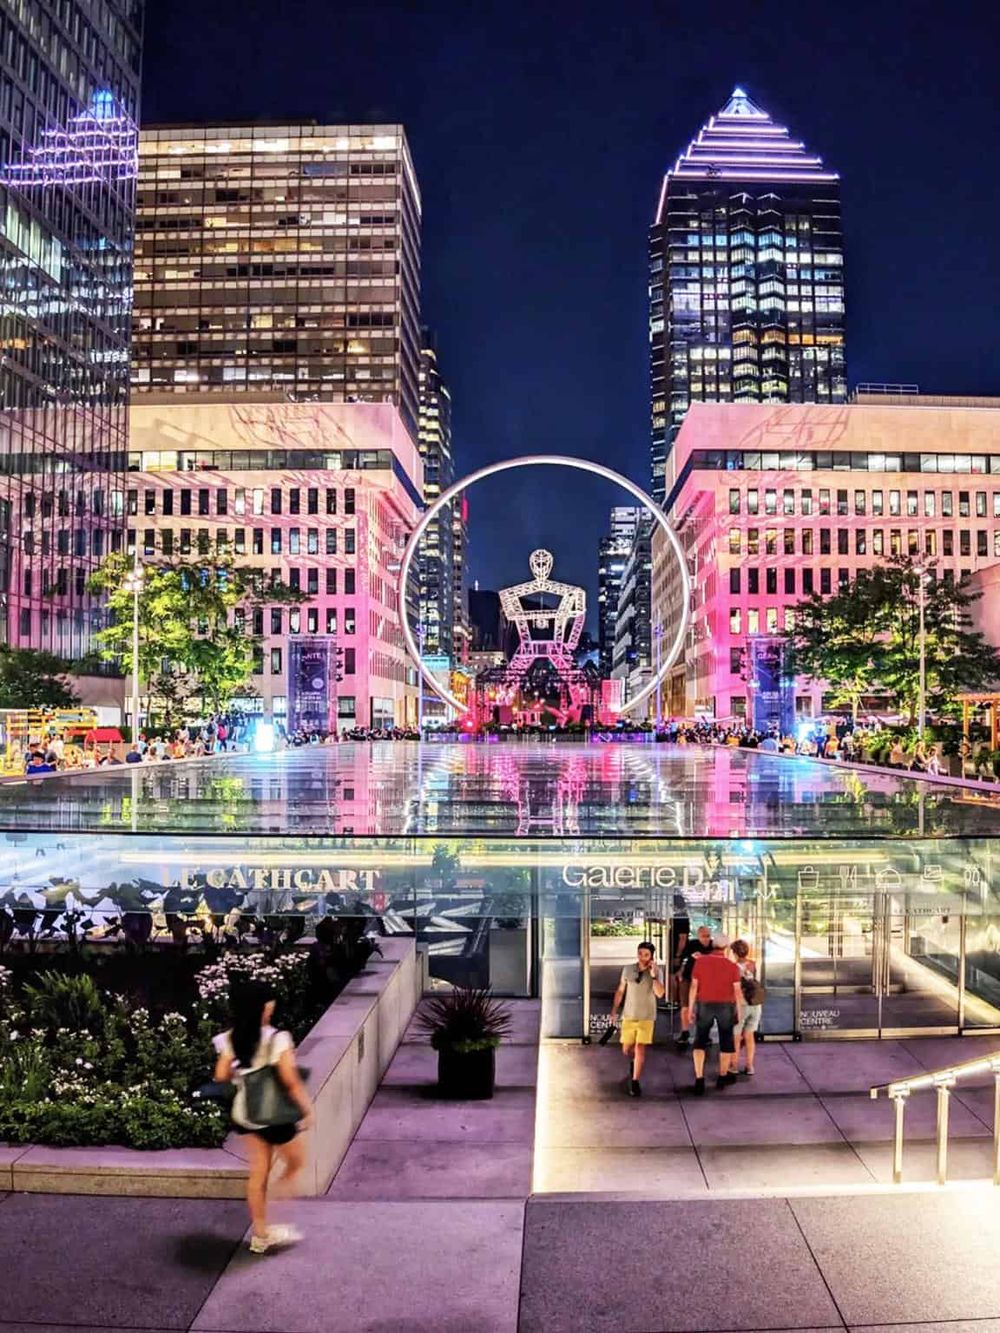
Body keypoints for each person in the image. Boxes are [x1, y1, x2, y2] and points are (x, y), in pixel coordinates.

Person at [213, 980, 314, 1254]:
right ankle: (276, 1208)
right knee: (296, 1162)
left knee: (259, 1172)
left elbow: (221, 1075)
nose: (272, 1004)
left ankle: (260, 1234)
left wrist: (243, 1072)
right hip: (274, 1114)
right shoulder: (277, 1038)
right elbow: (289, 1078)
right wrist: (306, 1108)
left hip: (247, 1113)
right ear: (262, 1006)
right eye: (269, 1000)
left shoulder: (232, 1037)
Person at [687, 931, 743, 1095]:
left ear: (712, 944)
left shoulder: (701, 962)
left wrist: (691, 1008)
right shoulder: (732, 967)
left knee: (700, 1041)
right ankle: (722, 1077)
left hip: (704, 1005)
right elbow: (738, 992)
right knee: (726, 1041)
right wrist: (739, 1011)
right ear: (726, 947)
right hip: (726, 1006)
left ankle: (699, 1078)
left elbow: (693, 987)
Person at [609, 940, 665, 1097]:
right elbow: (620, 990)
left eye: (646, 954)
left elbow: (660, 993)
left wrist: (653, 976)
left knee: (640, 1047)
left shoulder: (656, 972)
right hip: (629, 1015)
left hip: (646, 1017)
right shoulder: (628, 970)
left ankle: (635, 1081)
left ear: (652, 956)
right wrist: (614, 1010)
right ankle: (635, 1064)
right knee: (627, 1049)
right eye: (640, 953)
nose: (642, 957)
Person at [674, 924, 712, 1048]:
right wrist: (680, 971)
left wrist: (704, 958)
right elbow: (685, 959)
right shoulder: (691, 944)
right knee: (684, 1006)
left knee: (704, 1008)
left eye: (708, 936)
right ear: (698, 936)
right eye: (703, 936)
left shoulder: (713, 946)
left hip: (705, 980)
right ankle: (685, 1031)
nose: (706, 939)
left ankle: (704, 1033)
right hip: (688, 978)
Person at [731, 939, 763, 1076]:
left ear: (735, 953)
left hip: (741, 1004)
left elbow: (734, 988)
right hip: (755, 1004)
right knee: (749, 1036)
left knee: (736, 1037)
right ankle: (750, 1066)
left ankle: (734, 1065)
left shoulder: (734, 967)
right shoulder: (754, 964)